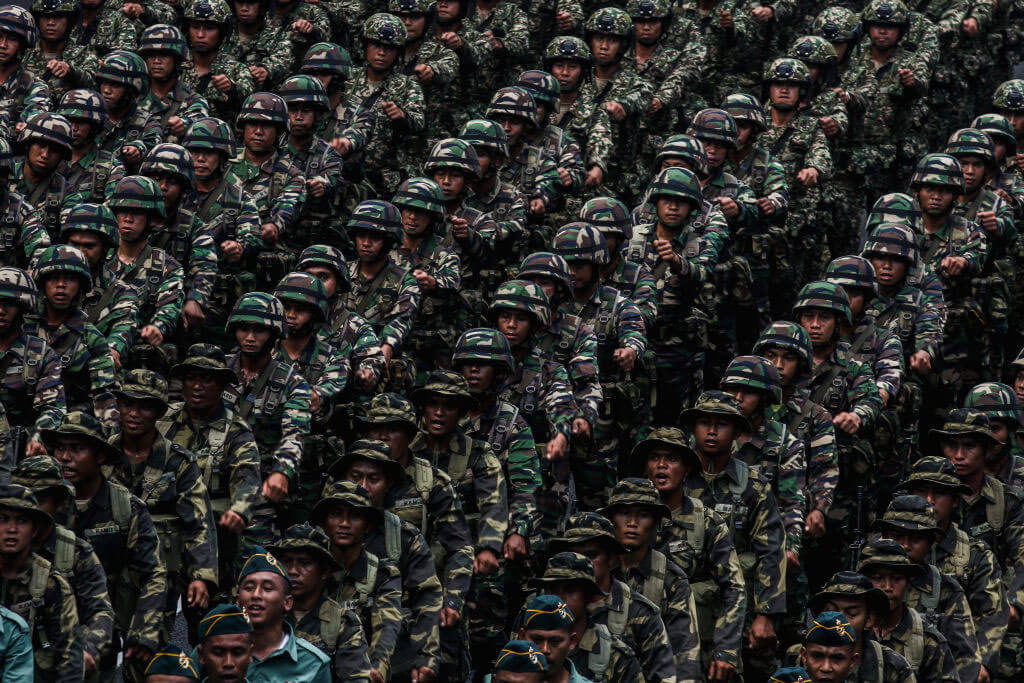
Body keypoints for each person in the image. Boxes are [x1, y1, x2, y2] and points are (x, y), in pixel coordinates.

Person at [49, 411, 167, 682]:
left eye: (77, 449)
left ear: (100, 456)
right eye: (60, 448)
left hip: (103, 624)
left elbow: (154, 573)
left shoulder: (126, 508)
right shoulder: (42, 504)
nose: (65, 457)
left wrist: (144, 630)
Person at [107, 369, 219, 640]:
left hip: (160, 575)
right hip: (106, 572)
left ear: (158, 412)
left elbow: (199, 523)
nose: (134, 413)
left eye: (145, 406)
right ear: (119, 406)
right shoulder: (102, 455)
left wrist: (201, 576)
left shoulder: (179, 462)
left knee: (153, 650)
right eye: (128, 404)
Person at [267, 523, 374, 681]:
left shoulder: (342, 623)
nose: (293, 571)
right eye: (287, 562)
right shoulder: (266, 615)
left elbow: (356, 677)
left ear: (324, 572)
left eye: (304, 563)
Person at [0, 483, 82, 682]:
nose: (12, 529)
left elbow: (69, 660)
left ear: (35, 529)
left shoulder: (51, 584)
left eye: (22, 521)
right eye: (3, 519)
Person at [233, 549, 332, 682]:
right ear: (238, 601)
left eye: (267, 588)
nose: (256, 595)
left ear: (287, 602)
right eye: (249, 588)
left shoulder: (313, 663)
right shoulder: (217, 650)